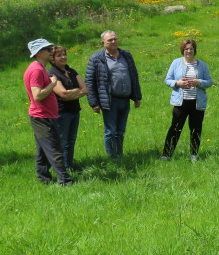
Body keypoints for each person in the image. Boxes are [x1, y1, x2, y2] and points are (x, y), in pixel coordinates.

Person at [85, 30, 142, 161]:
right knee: (111, 131)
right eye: (110, 40)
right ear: (103, 43)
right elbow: (89, 81)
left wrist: (137, 96)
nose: (113, 41)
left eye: (115, 39)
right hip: (109, 100)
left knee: (121, 130)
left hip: (125, 99)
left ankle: (119, 155)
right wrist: (94, 103)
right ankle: (112, 157)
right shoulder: (96, 58)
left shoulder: (126, 55)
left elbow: (134, 76)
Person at [24, 38, 73, 185]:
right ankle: (65, 181)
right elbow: (37, 95)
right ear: (39, 53)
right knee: (54, 148)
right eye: (48, 49)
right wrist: (52, 84)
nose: (51, 51)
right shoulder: (37, 69)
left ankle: (43, 179)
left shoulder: (39, 67)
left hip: (43, 115)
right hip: (42, 116)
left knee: (42, 151)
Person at [161, 38, 213, 161]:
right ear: (182, 50)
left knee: (196, 129)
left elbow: (209, 82)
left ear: (195, 50)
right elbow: (167, 80)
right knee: (175, 128)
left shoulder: (202, 65)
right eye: (186, 49)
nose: (188, 51)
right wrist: (177, 83)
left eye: (191, 49)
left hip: (197, 102)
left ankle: (194, 155)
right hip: (181, 102)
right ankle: (166, 154)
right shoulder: (176, 63)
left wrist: (198, 82)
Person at [48, 46, 88, 171]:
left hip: (75, 111)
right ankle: (61, 168)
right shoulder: (52, 74)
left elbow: (85, 89)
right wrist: (76, 92)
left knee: (71, 140)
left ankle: (69, 166)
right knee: (62, 142)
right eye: (59, 55)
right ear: (52, 59)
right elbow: (62, 93)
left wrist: (73, 93)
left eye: (64, 54)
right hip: (62, 112)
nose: (63, 57)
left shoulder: (72, 71)